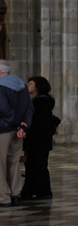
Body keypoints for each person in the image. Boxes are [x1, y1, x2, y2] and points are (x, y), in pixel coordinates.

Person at [0, 61, 33, 207]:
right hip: (18, 130)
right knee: (13, 162)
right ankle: (15, 194)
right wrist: (23, 125)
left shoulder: (0, 86)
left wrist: (15, 122)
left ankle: (3, 198)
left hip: (2, 129)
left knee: (0, 164)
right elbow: (29, 108)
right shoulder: (21, 85)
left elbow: (3, 108)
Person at [20, 77, 55, 201]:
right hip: (40, 139)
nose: (27, 85)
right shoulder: (40, 101)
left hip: (38, 139)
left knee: (37, 165)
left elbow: (36, 121)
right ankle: (35, 191)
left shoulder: (41, 102)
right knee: (33, 165)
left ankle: (40, 192)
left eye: (30, 84)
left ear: (38, 86)